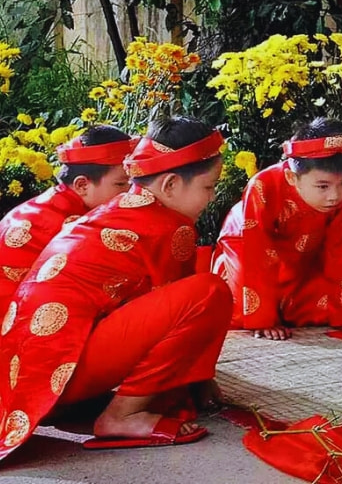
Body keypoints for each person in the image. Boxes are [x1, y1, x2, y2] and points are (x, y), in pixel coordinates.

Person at [0, 116, 232, 458]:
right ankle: (123, 415)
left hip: (34, 376)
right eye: (209, 187)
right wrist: (194, 381)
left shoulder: (120, 210)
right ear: (169, 185)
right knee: (209, 291)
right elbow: (182, 317)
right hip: (56, 375)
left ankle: (111, 406)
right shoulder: (166, 226)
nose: (212, 197)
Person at [212, 117, 342, 340]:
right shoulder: (263, 185)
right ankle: (268, 310)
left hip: (302, 256)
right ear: (291, 177)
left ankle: (285, 305)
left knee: (329, 306)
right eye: (322, 186)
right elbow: (256, 252)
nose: (335, 195)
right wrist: (264, 319)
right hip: (246, 247)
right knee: (239, 311)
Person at [0, 125, 135, 305]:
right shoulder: (69, 224)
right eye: (121, 184)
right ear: (82, 185)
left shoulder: (50, 204)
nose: (130, 192)